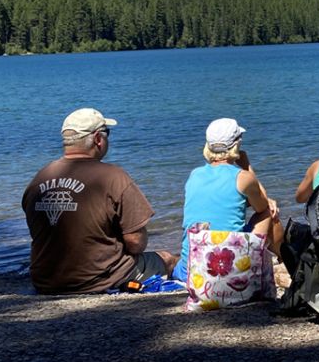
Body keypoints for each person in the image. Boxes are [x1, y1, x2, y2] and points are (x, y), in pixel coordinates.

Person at [22, 108, 176, 294]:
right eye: (107, 133)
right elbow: (135, 242)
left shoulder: (40, 178)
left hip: (45, 280)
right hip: (98, 280)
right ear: (98, 139)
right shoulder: (113, 177)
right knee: (167, 258)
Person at [171, 118, 284, 282]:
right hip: (228, 267)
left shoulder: (194, 175)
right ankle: (284, 258)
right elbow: (262, 206)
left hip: (191, 268)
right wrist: (246, 166)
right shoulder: (243, 177)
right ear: (236, 144)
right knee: (269, 211)